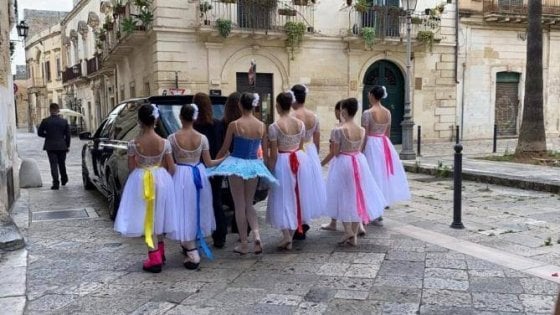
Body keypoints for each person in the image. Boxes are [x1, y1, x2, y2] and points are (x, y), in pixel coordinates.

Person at [208, 92, 277, 255]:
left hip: (237, 164)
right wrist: (266, 168)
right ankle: (257, 236)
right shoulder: (262, 125)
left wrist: (214, 166)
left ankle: (245, 243)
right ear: (254, 105)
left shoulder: (234, 124)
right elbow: (265, 153)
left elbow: (224, 149)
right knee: (249, 204)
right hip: (253, 164)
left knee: (239, 205)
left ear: (240, 105)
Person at [114, 104, 177, 273]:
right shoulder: (165, 143)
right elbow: (172, 168)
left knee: (147, 218)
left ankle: (154, 257)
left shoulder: (133, 143)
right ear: (156, 119)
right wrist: (164, 177)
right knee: (159, 215)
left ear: (139, 121)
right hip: (161, 179)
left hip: (141, 180)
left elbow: (131, 166)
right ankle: (160, 252)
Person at [169, 104, 226, 270]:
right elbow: (209, 163)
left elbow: (170, 162)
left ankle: (190, 248)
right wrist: (223, 159)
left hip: (180, 174)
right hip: (198, 173)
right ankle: (190, 243)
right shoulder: (202, 138)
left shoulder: (172, 138)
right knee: (197, 208)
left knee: (183, 209)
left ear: (180, 117)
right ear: (194, 118)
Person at [325, 98, 386, 246]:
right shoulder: (361, 130)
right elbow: (360, 147)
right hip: (359, 161)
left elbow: (335, 152)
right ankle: (353, 234)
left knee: (343, 194)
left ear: (344, 111)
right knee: (356, 194)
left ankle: (349, 231)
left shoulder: (338, 130)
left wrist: (322, 162)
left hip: (343, 162)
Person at [266, 92, 321, 250]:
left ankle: (287, 235)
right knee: (297, 195)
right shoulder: (300, 124)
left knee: (282, 196)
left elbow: (274, 153)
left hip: (283, 161)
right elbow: (301, 146)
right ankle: (291, 231)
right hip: (299, 159)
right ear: (290, 105)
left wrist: (270, 169)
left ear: (277, 105)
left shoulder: (274, 127)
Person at [362, 86, 411, 210]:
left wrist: (361, 149)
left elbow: (365, 134)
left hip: (372, 143)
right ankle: (383, 198)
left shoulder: (367, 113)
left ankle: (373, 199)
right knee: (382, 171)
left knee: (372, 172)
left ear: (372, 95)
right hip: (384, 143)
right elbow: (387, 133)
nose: (368, 96)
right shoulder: (387, 112)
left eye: (369, 94)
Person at [290, 84, 326, 240]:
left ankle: (298, 222)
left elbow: (291, 139)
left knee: (296, 188)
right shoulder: (314, 116)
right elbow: (317, 140)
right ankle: (303, 220)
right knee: (307, 189)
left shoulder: (292, 117)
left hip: (297, 152)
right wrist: (314, 157)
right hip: (310, 151)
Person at [193, 92, 228, 249]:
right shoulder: (217, 124)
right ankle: (220, 235)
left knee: (196, 202)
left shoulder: (193, 126)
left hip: (196, 168)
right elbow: (221, 145)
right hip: (215, 166)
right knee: (216, 200)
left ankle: (196, 234)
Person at [38, 103, 71, 190]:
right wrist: (67, 146)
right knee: (62, 163)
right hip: (62, 146)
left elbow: (39, 133)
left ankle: (55, 183)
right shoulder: (64, 121)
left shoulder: (45, 121)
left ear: (50, 110)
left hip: (50, 146)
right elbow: (68, 135)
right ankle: (64, 179)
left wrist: (47, 135)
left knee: (53, 165)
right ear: (58, 110)